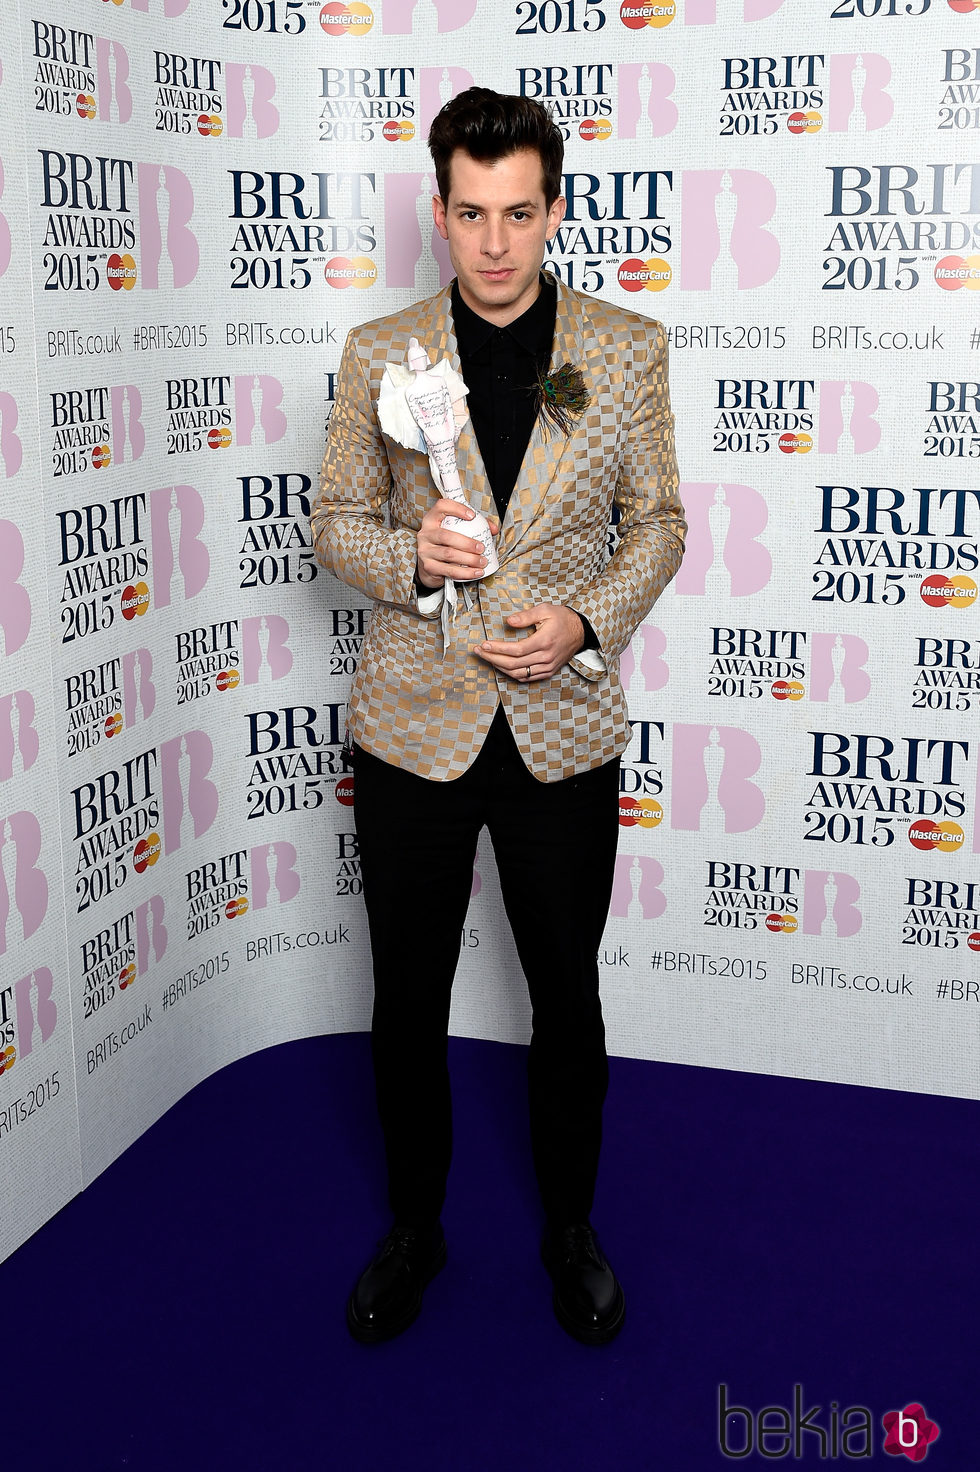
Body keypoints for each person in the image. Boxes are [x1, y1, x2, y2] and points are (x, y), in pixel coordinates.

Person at [310, 87, 684, 1346]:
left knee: (563, 999)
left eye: (518, 213)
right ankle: (414, 1226)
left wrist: (584, 621)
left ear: (554, 210)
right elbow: (334, 524)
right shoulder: (383, 351)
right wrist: (412, 552)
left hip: (558, 730)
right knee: (406, 1001)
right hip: (414, 722)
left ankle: (569, 1228)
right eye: (469, 214)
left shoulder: (622, 352)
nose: (493, 243)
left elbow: (660, 525)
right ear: (438, 210)